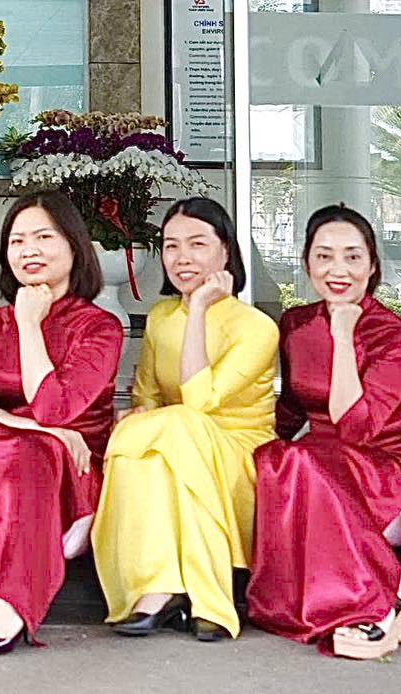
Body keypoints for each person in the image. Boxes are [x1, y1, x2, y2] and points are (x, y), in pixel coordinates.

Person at [247, 204, 401, 659]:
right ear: (306, 263)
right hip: (320, 459)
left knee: (305, 464)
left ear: (373, 265)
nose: (337, 270)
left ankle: (387, 605)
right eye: (324, 256)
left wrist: (343, 334)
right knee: (276, 460)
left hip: (393, 466)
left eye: (352, 257)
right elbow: (291, 411)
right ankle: (339, 600)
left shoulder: (393, 337)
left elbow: (354, 428)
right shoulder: (297, 324)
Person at [0, 191, 122, 655]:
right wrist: (41, 429)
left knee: (32, 449)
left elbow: (56, 409)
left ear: (74, 245)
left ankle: (13, 600)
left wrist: (30, 324)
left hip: (72, 459)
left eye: (43, 238)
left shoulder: (100, 326)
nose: (29, 250)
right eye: (17, 241)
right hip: (21, 441)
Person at [93, 196, 277, 642]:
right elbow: (147, 397)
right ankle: (161, 586)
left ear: (225, 251)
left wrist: (197, 310)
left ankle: (195, 591)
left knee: (177, 427)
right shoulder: (160, 318)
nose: (182, 258)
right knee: (144, 435)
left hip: (237, 456)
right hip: (179, 445)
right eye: (172, 246)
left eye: (197, 244)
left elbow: (197, 402)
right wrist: (139, 415)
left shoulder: (257, 327)